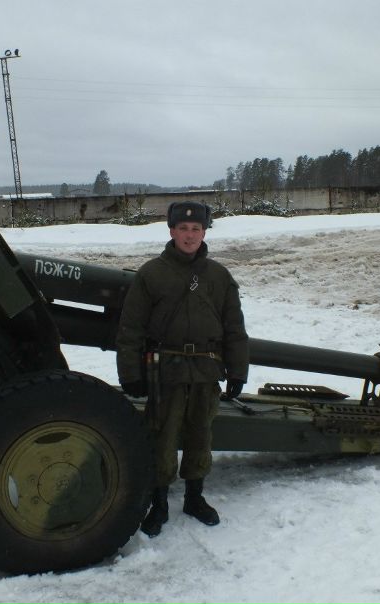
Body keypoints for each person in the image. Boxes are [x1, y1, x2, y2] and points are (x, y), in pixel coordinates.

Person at [116, 201, 249, 537]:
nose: (190, 235)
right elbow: (131, 329)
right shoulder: (151, 274)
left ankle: (194, 498)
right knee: (162, 436)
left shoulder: (219, 276)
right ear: (172, 231)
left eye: (196, 229)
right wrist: (130, 374)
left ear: (204, 232)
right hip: (166, 371)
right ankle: (159, 503)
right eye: (183, 229)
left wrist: (238, 372)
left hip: (206, 369)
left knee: (200, 434)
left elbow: (234, 329)